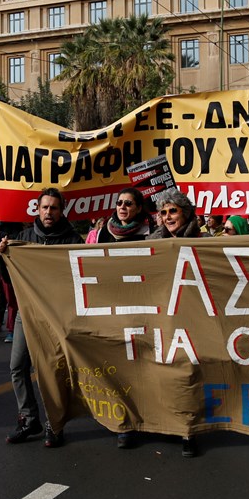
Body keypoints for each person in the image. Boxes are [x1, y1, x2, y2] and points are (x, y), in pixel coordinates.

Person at [0, 187, 80, 448]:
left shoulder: (72, 240)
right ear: (37, 208)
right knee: (17, 366)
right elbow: (8, 276)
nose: (48, 212)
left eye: (54, 208)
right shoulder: (22, 237)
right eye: (44, 207)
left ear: (61, 211)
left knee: (51, 371)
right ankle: (28, 417)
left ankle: (53, 423)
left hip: (57, 317)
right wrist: (1, 255)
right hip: (28, 313)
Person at [149, 188, 204, 457]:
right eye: (164, 212)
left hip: (194, 317)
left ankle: (188, 430)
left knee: (188, 373)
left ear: (186, 212)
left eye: (173, 211)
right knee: (166, 371)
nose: (168, 216)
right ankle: (169, 421)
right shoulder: (151, 243)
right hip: (163, 317)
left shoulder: (204, 242)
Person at [94, 187, 151, 448]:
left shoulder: (152, 233)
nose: (122, 207)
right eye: (119, 203)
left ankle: (149, 415)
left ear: (138, 207)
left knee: (142, 366)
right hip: (112, 308)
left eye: (128, 203)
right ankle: (124, 423)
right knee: (119, 366)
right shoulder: (103, 232)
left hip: (143, 309)